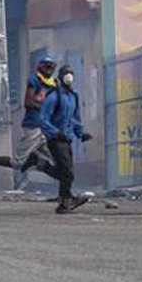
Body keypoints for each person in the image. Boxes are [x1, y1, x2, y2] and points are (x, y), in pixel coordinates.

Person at [0, 56, 59, 177]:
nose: (49, 69)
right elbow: (27, 102)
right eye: (47, 66)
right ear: (41, 67)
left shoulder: (54, 85)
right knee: (17, 163)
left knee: (59, 161)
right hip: (34, 127)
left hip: (47, 129)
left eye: (52, 67)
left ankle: (66, 190)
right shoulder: (34, 81)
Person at [38, 65, 92, 214]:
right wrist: (55, 132)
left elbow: (75, 119)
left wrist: (81, 134)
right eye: (66, 73)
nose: (69, 76)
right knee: (68, 172)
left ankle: (40, 164)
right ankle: (65, 201)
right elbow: (42, 119)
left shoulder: (73, 96)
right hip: (55, 140)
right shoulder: (54, 96)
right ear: (60, 77)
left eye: (71, 73)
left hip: (67, 139)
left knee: (64, 172)